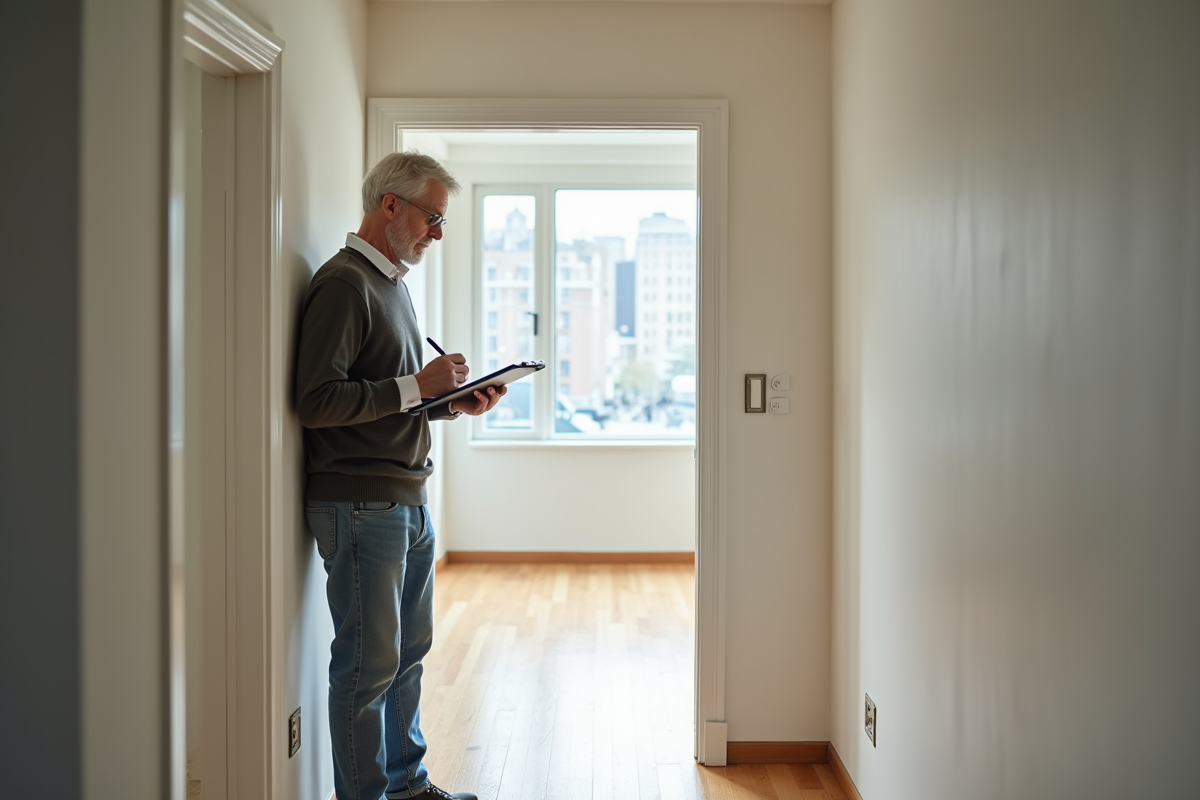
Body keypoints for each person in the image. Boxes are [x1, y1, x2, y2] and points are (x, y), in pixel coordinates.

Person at [295, 151, 505, 800]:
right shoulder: (344, 284)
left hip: (404, 502)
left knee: (407, 660)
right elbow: (317, 401)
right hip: (360, 505)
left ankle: (408, 787)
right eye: (432, 218)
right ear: (392, 205)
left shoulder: (392, 284)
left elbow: (385, 400)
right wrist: (419, 385)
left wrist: (446, 403)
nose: (436, 234)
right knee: (366, 671)